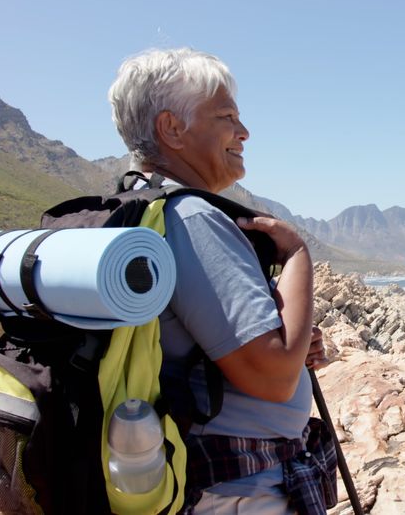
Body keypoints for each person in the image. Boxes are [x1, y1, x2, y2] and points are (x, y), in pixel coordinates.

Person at [108, 48, 332, 514]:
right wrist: (297, 255)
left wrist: (290, 340)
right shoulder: (192, 218)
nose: (244, 132)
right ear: (172, 129)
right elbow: (272, 377)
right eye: (226, 116)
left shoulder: (143, 206)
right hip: (240, 489)